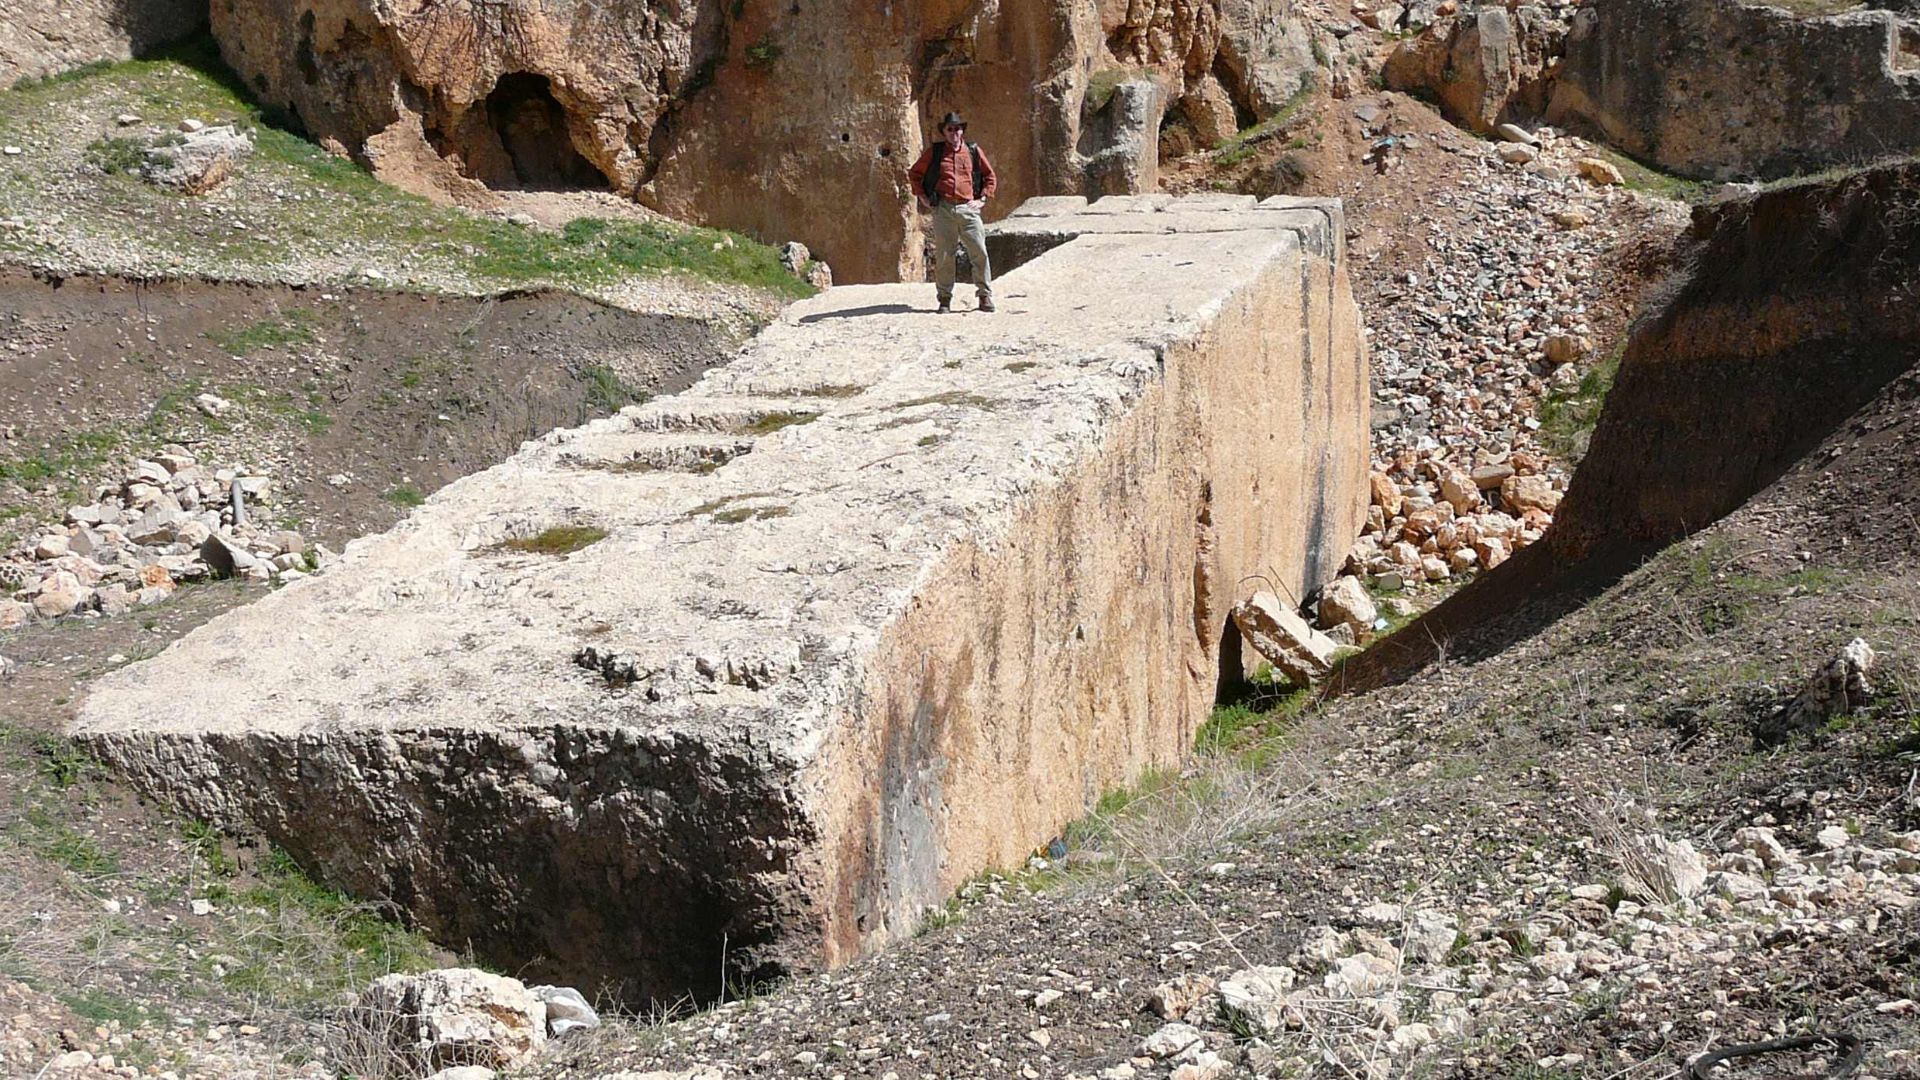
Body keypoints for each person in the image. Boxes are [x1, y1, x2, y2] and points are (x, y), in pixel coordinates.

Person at [908, 111, 998, 313]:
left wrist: (982, 199)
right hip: (944, 209)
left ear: (962, 130)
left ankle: (984, 296)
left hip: (968, 208)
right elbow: (914, 174)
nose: (954, 132)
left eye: (957, 128)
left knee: (979, 252)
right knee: (945, 256)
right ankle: (945, 299)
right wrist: (922, 196)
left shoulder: (973, 151)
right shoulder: (936, 152)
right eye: (950, 129)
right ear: (944, 132)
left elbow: (989, 176)